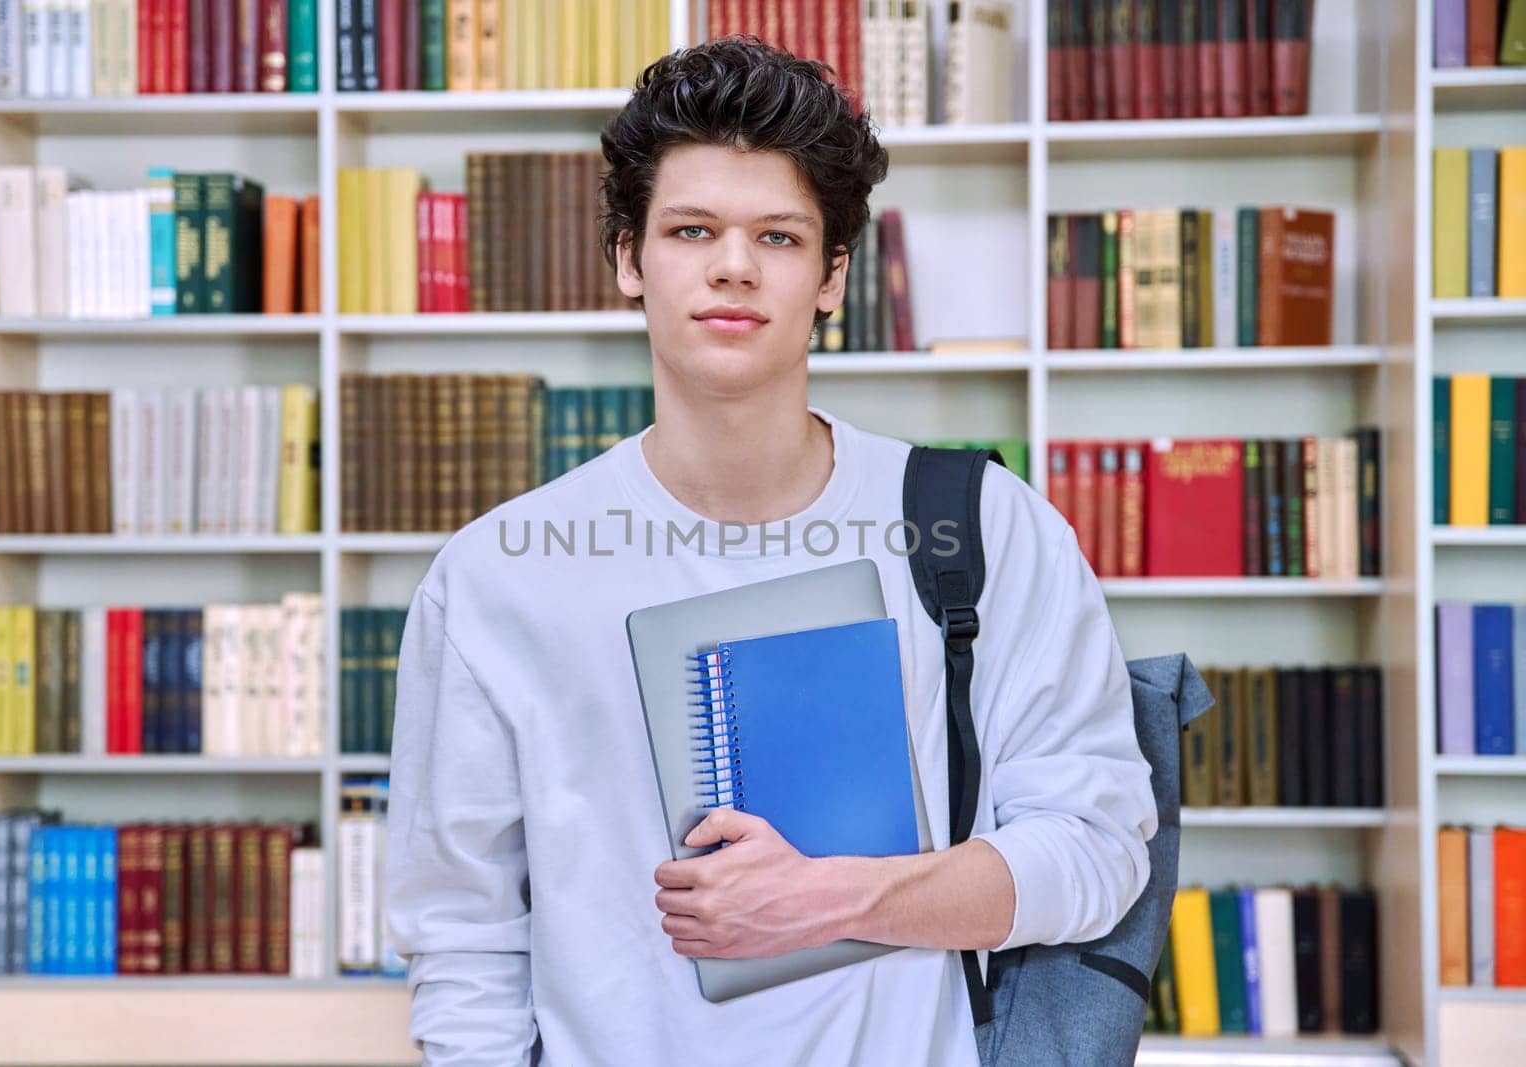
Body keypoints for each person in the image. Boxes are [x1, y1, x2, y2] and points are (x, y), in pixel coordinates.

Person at [386, 37, 1155, 1067]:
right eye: (690, 229)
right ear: (627, 257)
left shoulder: (981, 526)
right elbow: (463, 934)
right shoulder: (497, 575)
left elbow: (1098, 848)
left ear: (834, 275)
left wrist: (838, 893)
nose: (733, 265)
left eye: (780, 237)